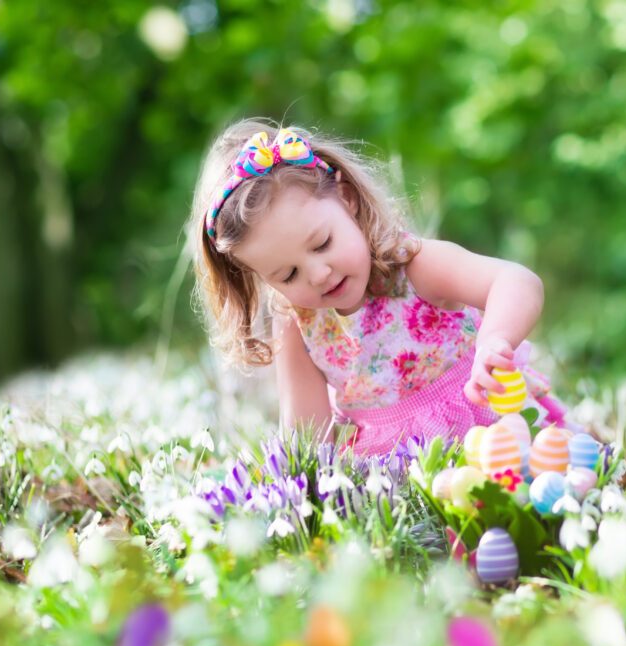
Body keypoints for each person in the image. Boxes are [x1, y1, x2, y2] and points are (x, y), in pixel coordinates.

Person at [186, 118, 571, 456]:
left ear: (346, 198)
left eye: (322, 244)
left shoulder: (414, 265)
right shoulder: (297, 322)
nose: (318, 274)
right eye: (287, 275)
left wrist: (495, 340)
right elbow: (307, 434)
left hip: (495, 435)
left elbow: (515, 281)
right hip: (402, 477)